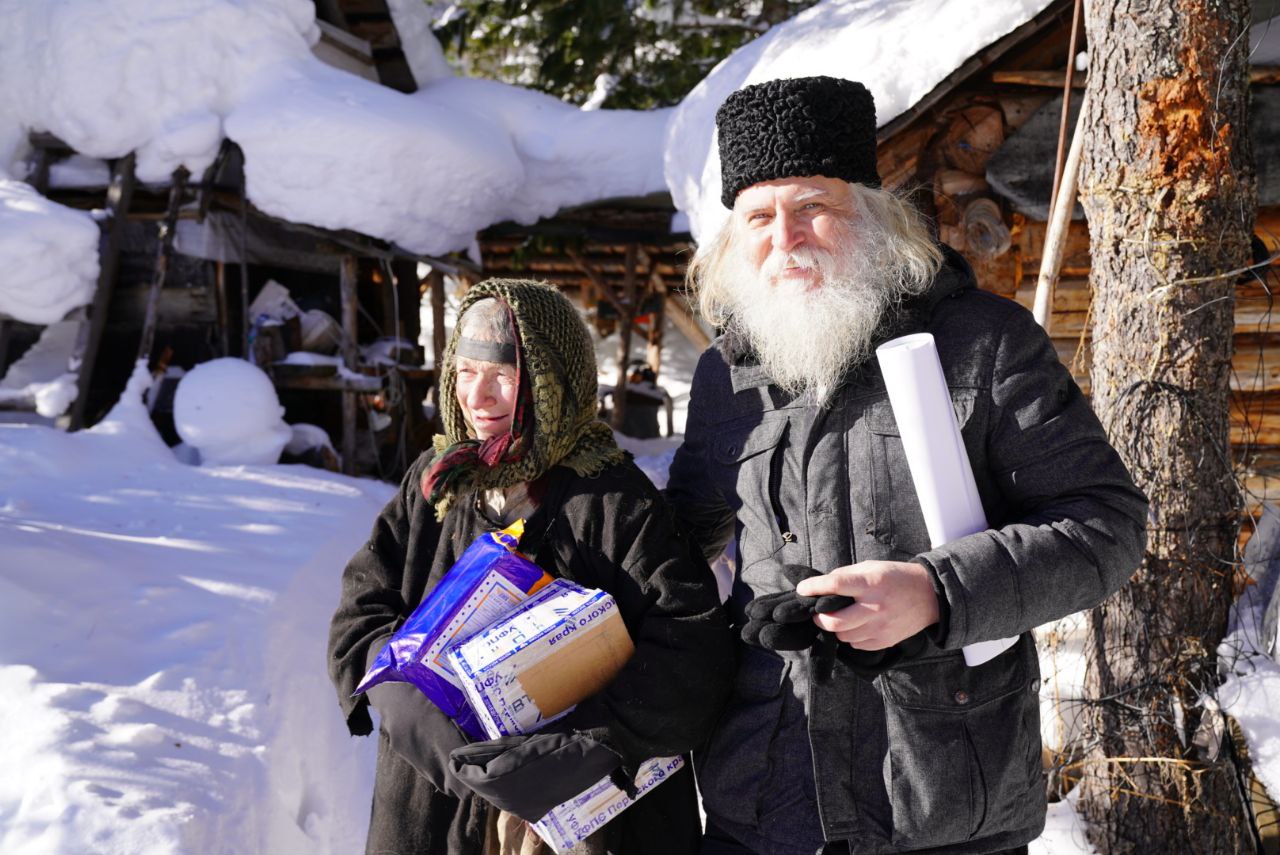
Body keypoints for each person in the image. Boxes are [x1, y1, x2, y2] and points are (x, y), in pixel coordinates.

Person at [664, 76, 1148, 855]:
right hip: (762, 802)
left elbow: (1107, 525)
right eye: (758, 215)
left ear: (872, 211)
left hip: (942, 805)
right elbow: (678, 541)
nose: (784, 238)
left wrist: (935, 592)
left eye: (812, 205)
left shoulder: (983, 343)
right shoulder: (729, 375)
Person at [328, 278, 734, 855]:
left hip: (584, 817)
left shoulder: (614, 500)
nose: (479, 396)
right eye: (465, 373)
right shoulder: (435, 485)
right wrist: (398, 694)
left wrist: (587, 746)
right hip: (434, 810)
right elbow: (362, 604)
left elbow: (693, 648)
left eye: (504, 375)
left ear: (552, 383)